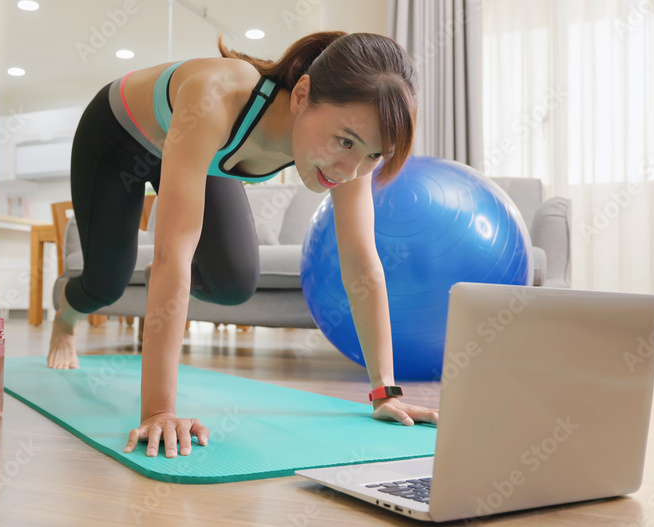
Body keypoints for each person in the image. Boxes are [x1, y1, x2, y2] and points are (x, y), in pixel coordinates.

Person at [48, 31, 440, 458]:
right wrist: (159, 412)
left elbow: (363, 265)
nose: (350, 169)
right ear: (302, 95)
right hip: (120, 138)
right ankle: (65, 316)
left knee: (234, 281)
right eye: (344, 141)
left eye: (373, 156)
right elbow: (174, 253)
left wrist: (385, 393)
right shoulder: (217, 93)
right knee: (106, 283)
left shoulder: (349, 160)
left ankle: (163, 284)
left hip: (196, 149)